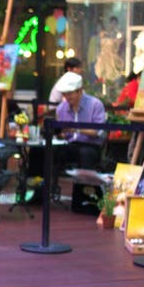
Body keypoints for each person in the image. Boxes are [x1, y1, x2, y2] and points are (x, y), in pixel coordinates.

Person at [53, 71, 107, 213]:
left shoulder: (95, 105)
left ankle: (86, 197)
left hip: (91, 145)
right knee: (48, 152)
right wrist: (61, 133)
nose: (67, 97)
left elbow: (98, 132)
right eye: (65, 94)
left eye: (70, 94)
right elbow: (61, 132)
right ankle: (42, 190)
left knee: (85, 154)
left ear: (80, 91)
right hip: (70, 144)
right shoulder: (61, 108)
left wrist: (75, 129)